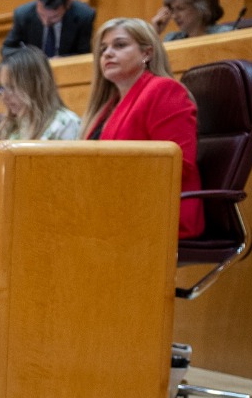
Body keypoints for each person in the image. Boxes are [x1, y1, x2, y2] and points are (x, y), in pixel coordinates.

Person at [81, 17, 202, 239]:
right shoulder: (107, 106)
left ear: (147, 53)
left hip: (156, 214)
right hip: (114, 212)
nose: (107, 54)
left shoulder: (164, 90)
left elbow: (176, 164)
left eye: (119, 45)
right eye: (103, 49)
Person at [0, 46, 81, 141]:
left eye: (12, 87)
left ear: (36, 85)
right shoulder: (12, 126)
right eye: (1, 88)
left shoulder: (66, 124)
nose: (4, 97)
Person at [1, 0, 95, 57]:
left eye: (54, 17)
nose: (45, 22)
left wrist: (63, 61)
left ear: (68, 5)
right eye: (41, 15)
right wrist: (31, 59)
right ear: (37, 1)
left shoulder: (84, 16)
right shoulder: (23, 14)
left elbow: (83, 55)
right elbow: (7, 49)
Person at [152, 0, 231, 41]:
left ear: (202, 8)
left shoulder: (227, 35)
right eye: (172, 10)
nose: (175, 16)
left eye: (180, 9)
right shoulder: (172, 39)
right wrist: (155, 33)